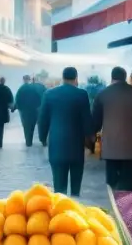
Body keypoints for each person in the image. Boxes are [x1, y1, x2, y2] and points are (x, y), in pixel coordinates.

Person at [92, 66, 132, 192]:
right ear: (126, 77)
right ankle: (127, 207)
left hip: (110, 147)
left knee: (112, 183)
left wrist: (92, 139)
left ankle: (113, 206)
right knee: (128, 183)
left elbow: (96, 121)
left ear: (112, 77)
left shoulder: (102, 95)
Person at [38, 67, 92, 197]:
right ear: (76, 78)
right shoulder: (82, 94)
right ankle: (75, 208)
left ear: (63, 78)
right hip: (76, 146)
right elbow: (87, 121)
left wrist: (43, 138)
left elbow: (43, 119)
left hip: (57, 145)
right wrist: (91, 142)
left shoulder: (49, 94)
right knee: (75, 188)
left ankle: (61, 212)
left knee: (59, 188)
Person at [14, 74, 46, 147]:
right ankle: (41, 140)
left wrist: (16, 107)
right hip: (35, 109)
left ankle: (28, 141)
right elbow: (41, 97)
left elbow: (17, 99)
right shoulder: (37, 87)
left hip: (25, 111)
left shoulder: (22, 88)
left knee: (27, 126)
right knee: (36, 125)